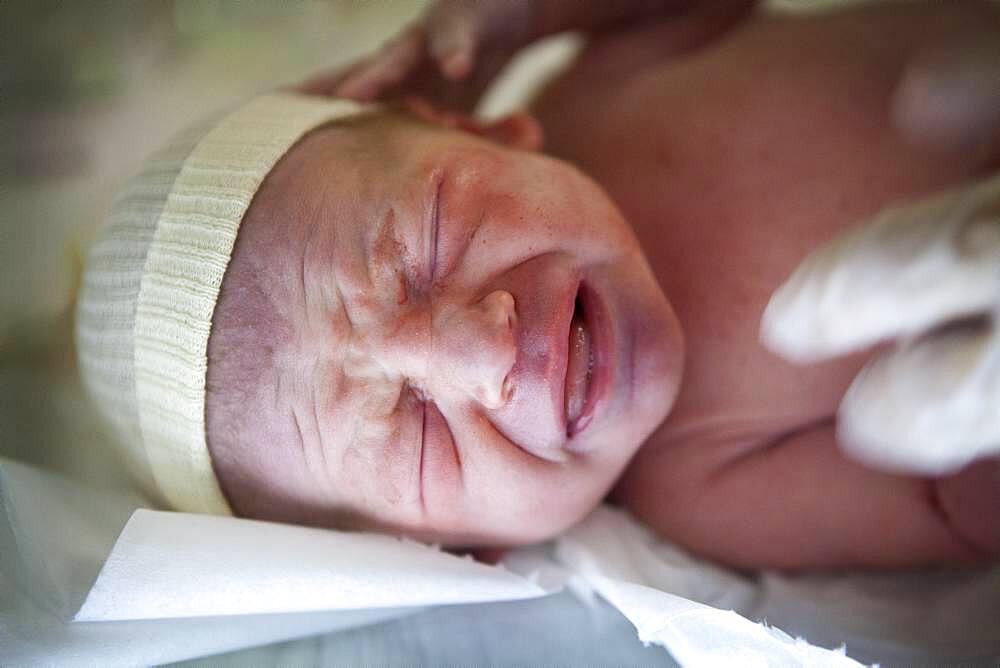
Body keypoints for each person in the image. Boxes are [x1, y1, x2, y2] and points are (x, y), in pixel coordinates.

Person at [76, 0, 999, 571]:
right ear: (475, 548)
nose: (485, 347)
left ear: (472, 127)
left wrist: (533, 11)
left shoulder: (608, 84)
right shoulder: (702, 485)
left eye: (430, 239)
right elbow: (959, 502)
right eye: (422, 434)